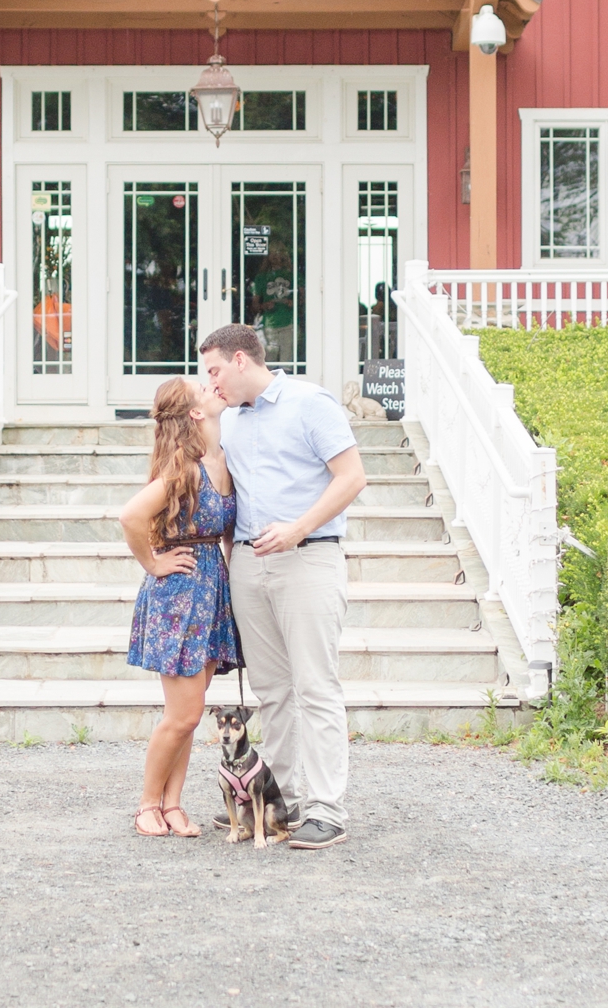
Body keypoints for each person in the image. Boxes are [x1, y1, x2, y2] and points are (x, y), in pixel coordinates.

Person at [200, 323, 368, 850]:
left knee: (316, 685)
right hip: (249, 564)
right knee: (271, 690)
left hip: (308, 558)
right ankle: (285, 798)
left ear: (242, 361)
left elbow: (352, 476)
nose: (210, 382)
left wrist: (300, 527)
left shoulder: (309, 403)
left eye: (214, 370)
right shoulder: (229, 421)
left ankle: (328, 810)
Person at [119, 375, 241, 838]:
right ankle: (147, 805)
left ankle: (173, 805)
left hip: (210, 593)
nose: (215, 389)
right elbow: (130, 515)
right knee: (184, 714)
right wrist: (153, 562)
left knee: (191, 709)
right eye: (205, 391)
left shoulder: (219, 459)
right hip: (180, 595)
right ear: (194, 413)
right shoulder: (182, 469)